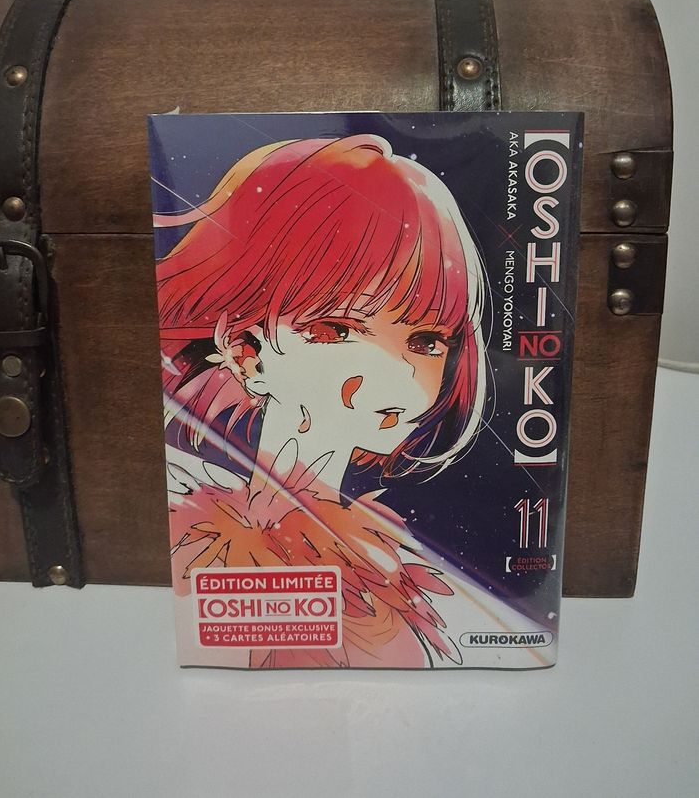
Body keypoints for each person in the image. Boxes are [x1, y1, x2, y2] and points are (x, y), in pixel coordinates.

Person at [154, 133, 539, 669]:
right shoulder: (194, 547)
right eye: (335, 330)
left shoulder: (384, 578)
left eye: (426, 341)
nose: (399, 376)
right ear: (247, 353)